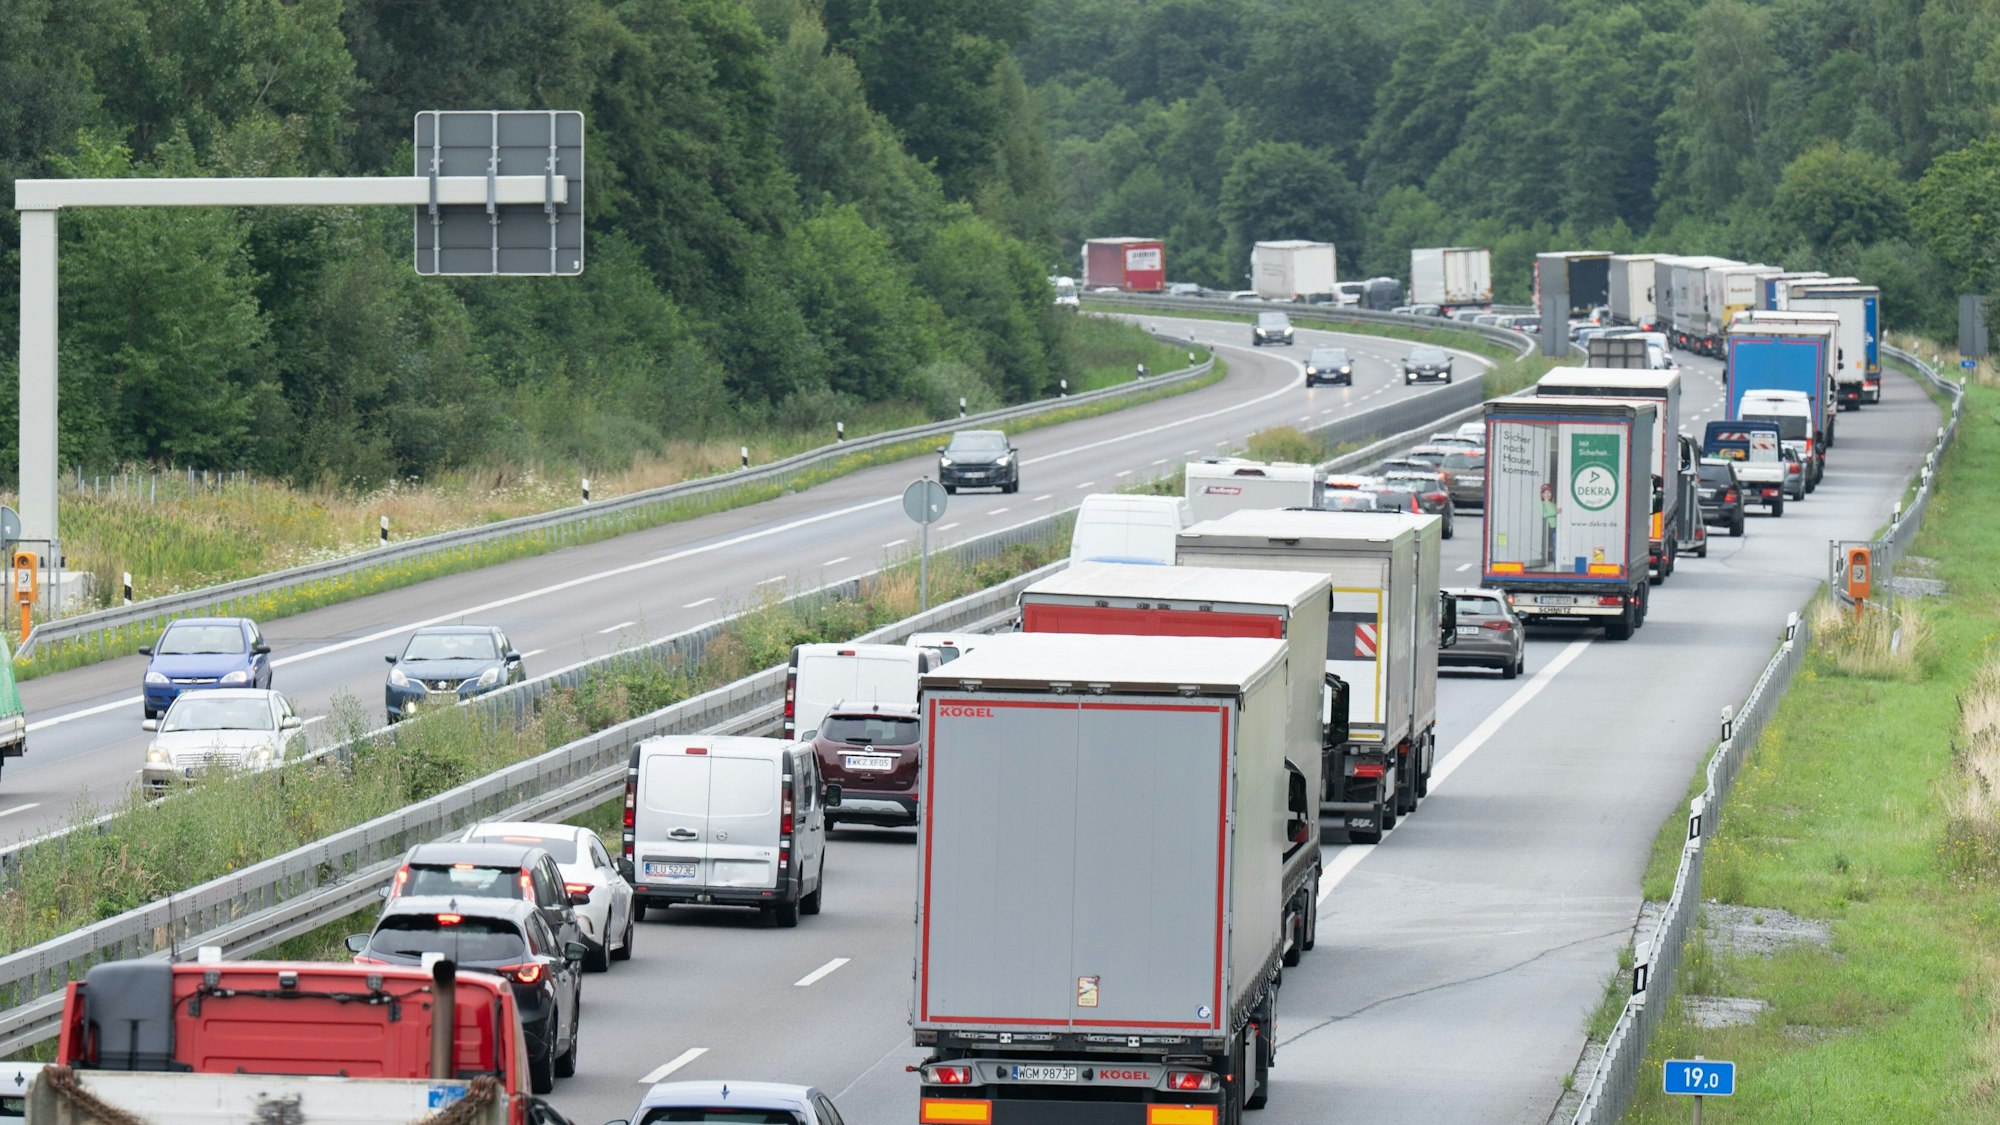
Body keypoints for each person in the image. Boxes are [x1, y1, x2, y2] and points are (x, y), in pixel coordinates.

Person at [1540, 482, 1559, 564]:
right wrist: (1555, 512)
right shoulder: (1543, 504)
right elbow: (1544, 514)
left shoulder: (1553, 504)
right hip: (1552, 527)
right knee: (1554, 544)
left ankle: (1557, 559)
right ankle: (1555, 560)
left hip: (1558, 526)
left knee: (1557, 544)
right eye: (1545, 493)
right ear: (1542, 495)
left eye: (1549, 492)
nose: (1547, 494)